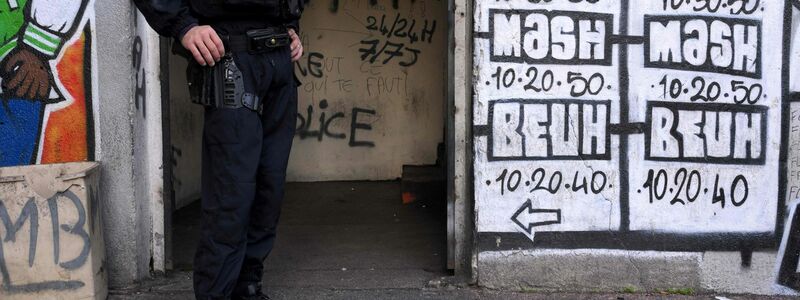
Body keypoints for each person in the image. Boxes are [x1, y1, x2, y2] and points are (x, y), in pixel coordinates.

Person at [132, 0, 304, 299]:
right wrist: (183, 25)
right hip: (231, 56)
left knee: (269, 186)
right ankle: (217, 293)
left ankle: (247, 286)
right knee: (231, 193)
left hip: (278, 57)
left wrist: (290, 22)